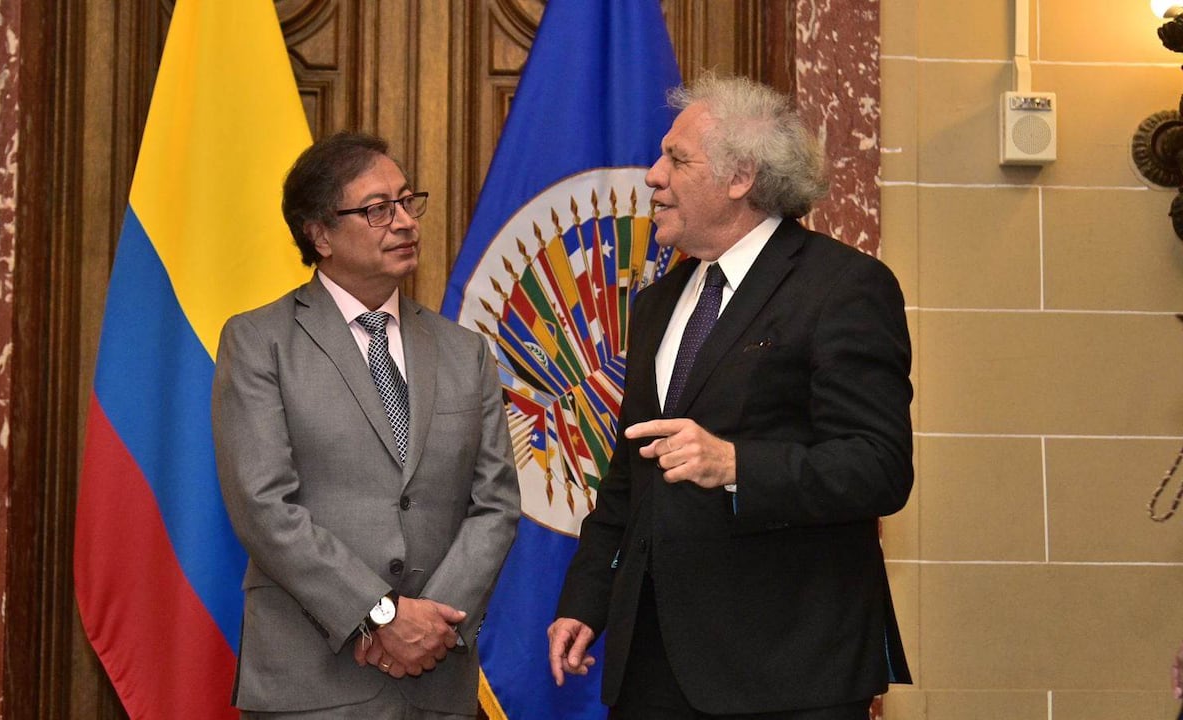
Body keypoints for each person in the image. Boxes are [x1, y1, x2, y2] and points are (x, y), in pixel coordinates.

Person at [546, 73, 914, 719]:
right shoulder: (660, 302)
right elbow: (631, 474)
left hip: (786, 666)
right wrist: (585, 600)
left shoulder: (842, 287)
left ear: (740, 176)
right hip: (652, 665)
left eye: (676, 160)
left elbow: (877, 467)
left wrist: (738, 465)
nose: (653, 176)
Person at [212, 131, 520, 719]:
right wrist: (379, 614)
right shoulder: (259, 343)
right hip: (312, 682)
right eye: (378, 209)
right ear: (319, 233)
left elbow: (496, 504)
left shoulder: (465, 352)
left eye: (408, 202)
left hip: (436, 678)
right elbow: (263, 506)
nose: (404, 222)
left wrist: (431, 626)